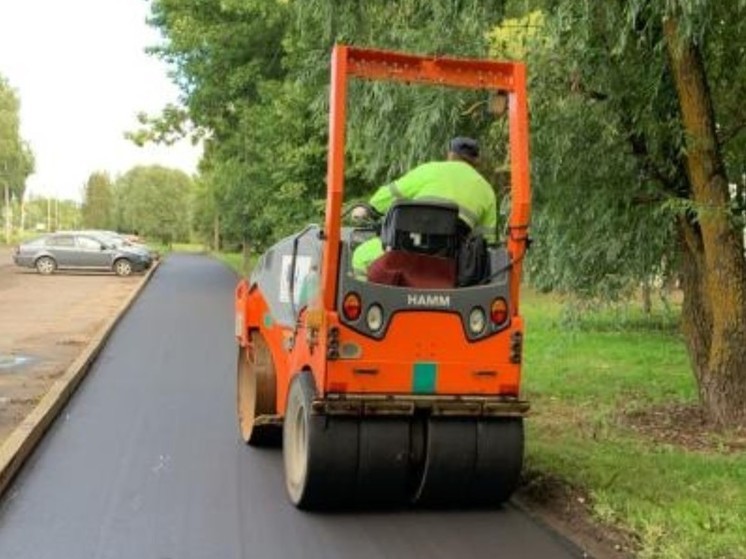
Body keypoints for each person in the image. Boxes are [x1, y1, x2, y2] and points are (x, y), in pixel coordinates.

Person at [351, 136, 497, 277]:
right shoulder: (486, 190)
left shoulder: (430, 170)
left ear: (450, 154)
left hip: (407, 252)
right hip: (450, 263)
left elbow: (392, 193)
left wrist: (369, 208)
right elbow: (486, 240)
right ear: (476, 160)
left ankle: (375, 300)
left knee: (361, 257)